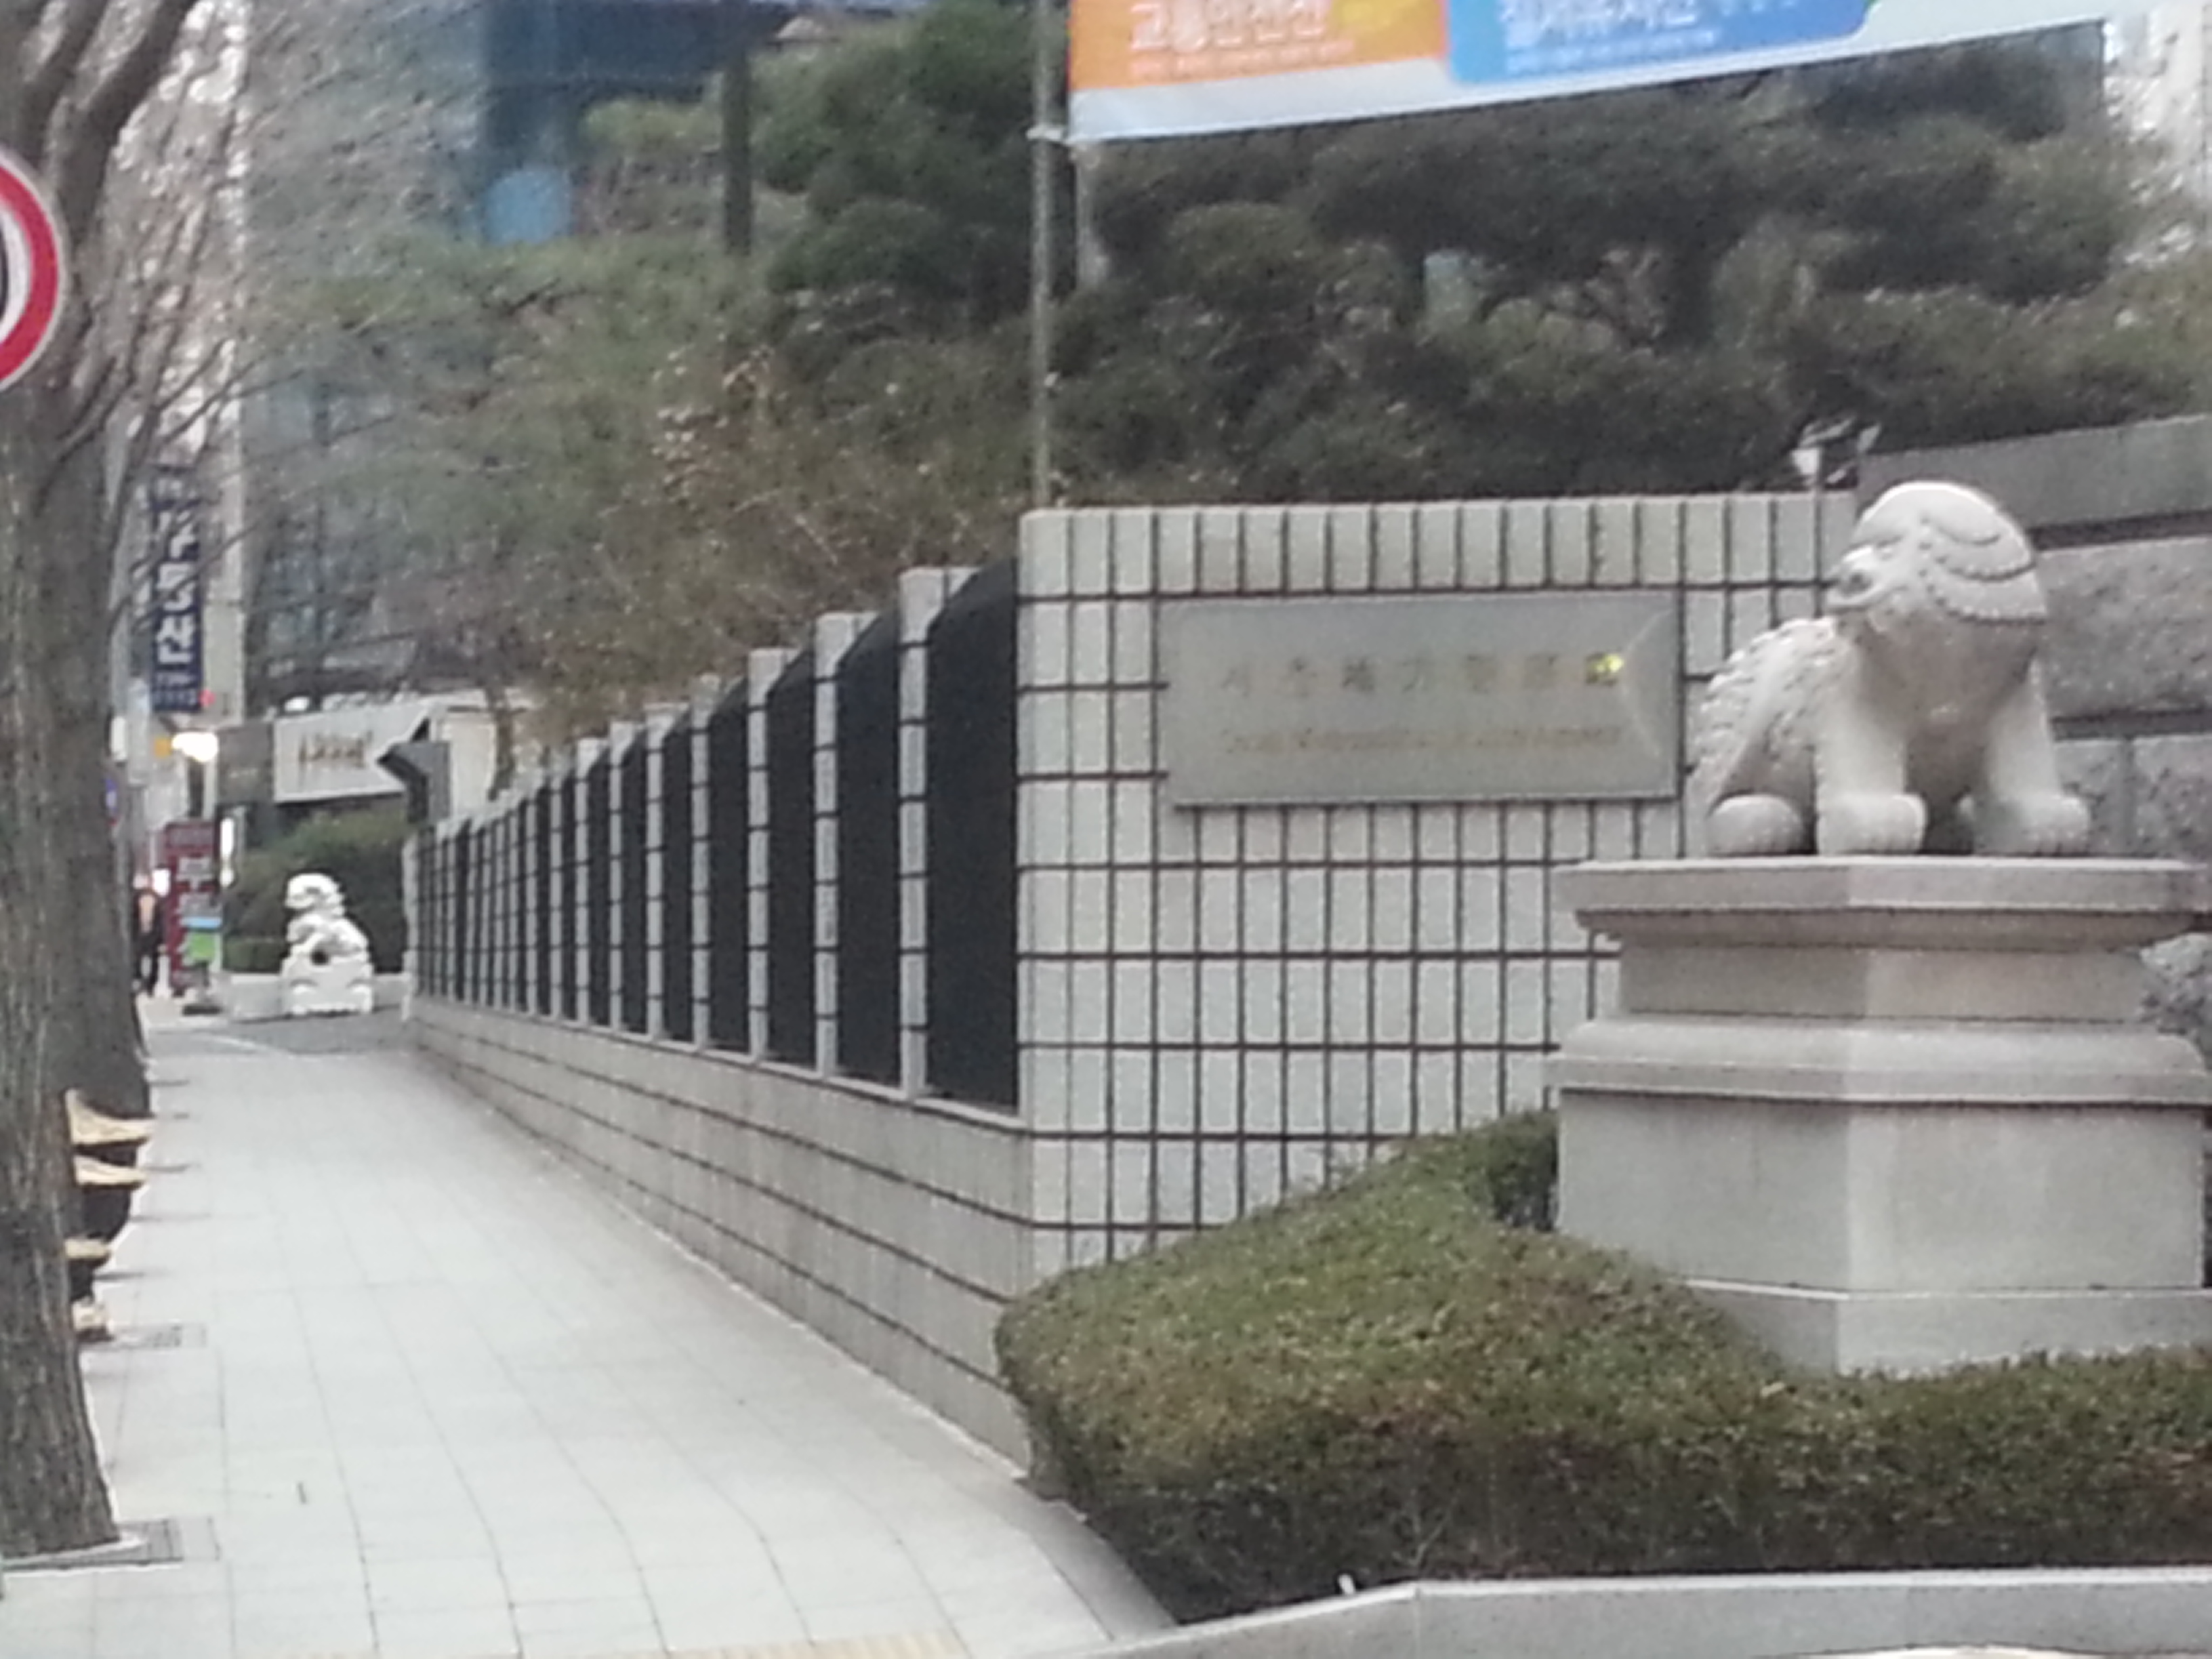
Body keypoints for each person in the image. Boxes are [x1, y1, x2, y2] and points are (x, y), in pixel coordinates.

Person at [133, 885, 165, 996]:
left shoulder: (158, 900)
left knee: (154, 960)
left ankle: (151, 985)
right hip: (139, 933)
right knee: (137, 959)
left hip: (153, 934)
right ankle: (139, 980)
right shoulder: (135, 899)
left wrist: (161, 939)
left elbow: (161, 921)